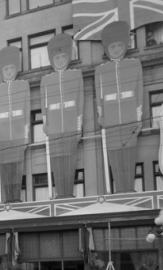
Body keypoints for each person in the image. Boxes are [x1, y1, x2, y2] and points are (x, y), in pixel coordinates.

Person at [94, 21, 143, 193]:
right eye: (112, 46)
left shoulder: (134, 64)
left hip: (129, 113)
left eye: (119, 45)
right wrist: (101, 115)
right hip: (111, 117)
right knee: (114, 153)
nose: (115, 49)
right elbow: (99, 95)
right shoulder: (100, 70)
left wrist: (138, 118)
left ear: (125, 45)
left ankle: (128, 188)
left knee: (129, 154)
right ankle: (119, 189)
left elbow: (139, 93)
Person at [40, 33, 84, 198]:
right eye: (56, 57)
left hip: (71, 126)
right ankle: (60, 193)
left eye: (63, 56)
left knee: (70, 160)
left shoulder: (76, 75)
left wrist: (78, 127)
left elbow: (80, 103)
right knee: (57, 161)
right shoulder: (46, 80)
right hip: (54, 129)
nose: (59, 60)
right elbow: (44, 105)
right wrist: (46, 124)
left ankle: (68, 193)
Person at [0, 46, 30, 203]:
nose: (8, 71)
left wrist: (26, 135)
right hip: (3, 138)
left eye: (11, 67)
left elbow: (27, 112)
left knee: (17, 168)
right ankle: (8, 198)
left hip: (19, 135)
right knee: (6, 169)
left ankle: (16, 198)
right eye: (5, 68)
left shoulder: (23, 86)